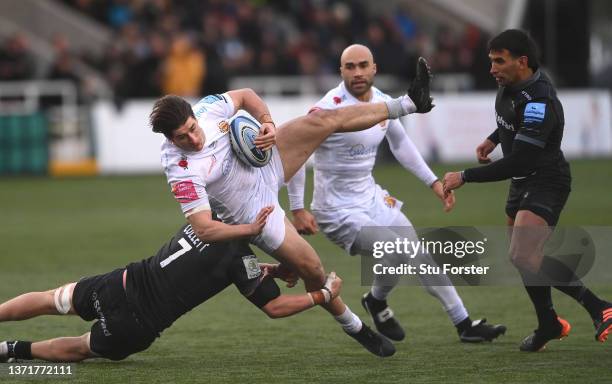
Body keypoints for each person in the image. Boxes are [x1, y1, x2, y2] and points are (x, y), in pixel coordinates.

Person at [148, 58, 434, 357]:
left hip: (265, 165)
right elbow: (203, 228)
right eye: (182, 137)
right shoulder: (180, 168)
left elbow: (246, 95)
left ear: (195, 115)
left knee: (322, 120)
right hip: (253, 211)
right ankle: (355, 327)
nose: (193, 139)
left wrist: (268, 123)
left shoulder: (208, 109)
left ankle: (409, 103)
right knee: (312, 268)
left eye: (193, 129)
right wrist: (249, 230)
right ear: (169, 139)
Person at [287, 44, 506, 343]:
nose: (358, 72)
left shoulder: (382, 102)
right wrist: (298, 208)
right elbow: (298, 152)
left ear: (375, 68)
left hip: (373, 198)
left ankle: (453, 321)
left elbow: (402, 146)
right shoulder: (327, 108)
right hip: (337, 211)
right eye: (350, 67)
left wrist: (434, 184)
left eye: (363, 65)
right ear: (340, 71)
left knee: (415, 253)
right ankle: (446, 320)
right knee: (403, 251)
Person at [442, 29, 612, 351]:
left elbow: (519, 162)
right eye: (491, 60)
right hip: (523, 183)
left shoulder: (540, 101)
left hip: (546, 180)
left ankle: (599, 305)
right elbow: (510, 116)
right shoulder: (510, 84)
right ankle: (548, 323)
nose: (492, 68)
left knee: (523, 254)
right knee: (523, 259)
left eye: (499, 61)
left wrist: (465, 176)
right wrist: (494, 138)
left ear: (522, 62)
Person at [0, 221, 342, 362]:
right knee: (81, 347)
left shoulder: (204, 218)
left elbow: (204, 265)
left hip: (121, 283)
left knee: (52, 300)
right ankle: (10, 350)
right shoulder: (241, 259)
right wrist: (324, 294)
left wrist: (268, 269)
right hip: (137, 323)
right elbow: (275, 307)